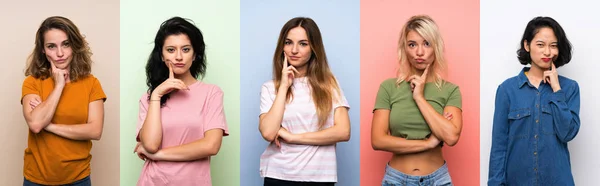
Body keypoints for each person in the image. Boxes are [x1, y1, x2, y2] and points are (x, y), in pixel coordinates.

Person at [134, 17, 229, 186]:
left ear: (195, 55)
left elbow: (211, 146)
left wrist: (158, 156)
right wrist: (156, 95)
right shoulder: (149, 98)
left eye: (185, 49)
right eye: (170, 50)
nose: (178, 57)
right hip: (152, 181)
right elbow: (150, 145)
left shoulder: (211, 93)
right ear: (162, 56)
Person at [371, 15, 462, 186]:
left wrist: (419, 97)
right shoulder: (388, 87)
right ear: (404, 48)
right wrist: (428, 143)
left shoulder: (450, 90)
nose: (419, 52)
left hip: (438, 180)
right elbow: (378, 140)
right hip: (396, 180)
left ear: (436, 47)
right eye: (412, 45)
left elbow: (450, 136)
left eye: (426, 43)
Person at [258, 17, 351, 186]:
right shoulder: (270, 88)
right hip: (278, 175)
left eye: (303, 44)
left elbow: (343, 131)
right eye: (288, 42)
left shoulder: (330, 84)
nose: (294, 50)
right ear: (282, 47)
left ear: (314, 49)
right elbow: (268, 133)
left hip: (319, 176)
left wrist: (294, 137)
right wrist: (284, 86)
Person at [488, 16, 580, 186]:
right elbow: (499, 146)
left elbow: (568, 133)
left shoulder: (569, 88)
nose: (547, 52)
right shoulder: (507, 90)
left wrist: (556, 91)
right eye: (540, 44)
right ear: (526, 45)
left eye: (553, 45)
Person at [21, 16, 106, 186]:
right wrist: (59, 86)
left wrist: (49, 125)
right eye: (51, 46)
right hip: (36, 179)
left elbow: (95, 131)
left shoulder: (91, 83)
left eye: (66, 44)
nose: (60, 53)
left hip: (78, 179)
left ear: (74, 46)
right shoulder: (32, 82)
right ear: (43, 50)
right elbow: (36, 124)